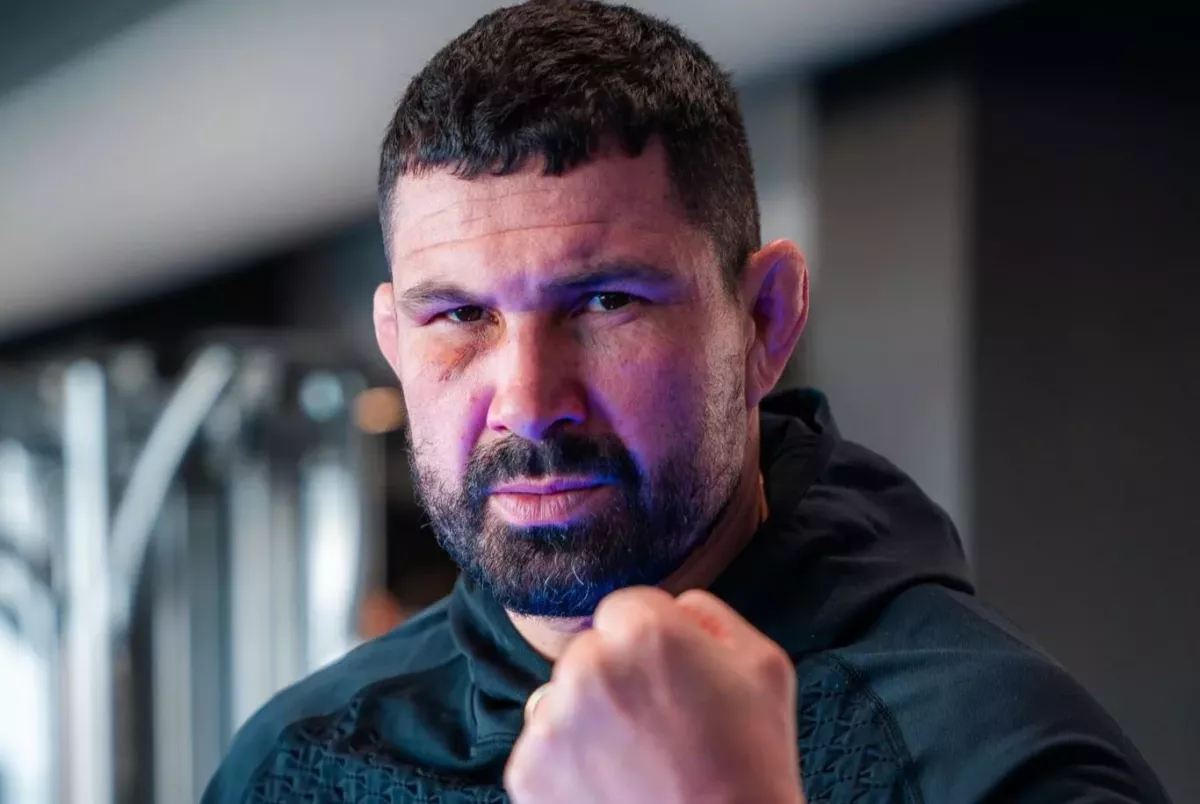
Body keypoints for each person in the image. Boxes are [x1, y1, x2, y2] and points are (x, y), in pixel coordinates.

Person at [202, 1, 1171, 802]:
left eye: (606, 302)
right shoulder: (295, 765)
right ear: (395, 344)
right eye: (459, 315)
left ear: (764, 320)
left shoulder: (997, 761)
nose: (528, 404)